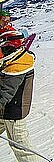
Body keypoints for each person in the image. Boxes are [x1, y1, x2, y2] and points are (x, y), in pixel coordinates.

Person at [0, 29, 40, 162]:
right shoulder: (16, 58)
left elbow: (5, 94)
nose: (2, 51)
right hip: (6, 110)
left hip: (13, 112)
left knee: (20, 145)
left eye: (4, 48)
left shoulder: (17, 65)